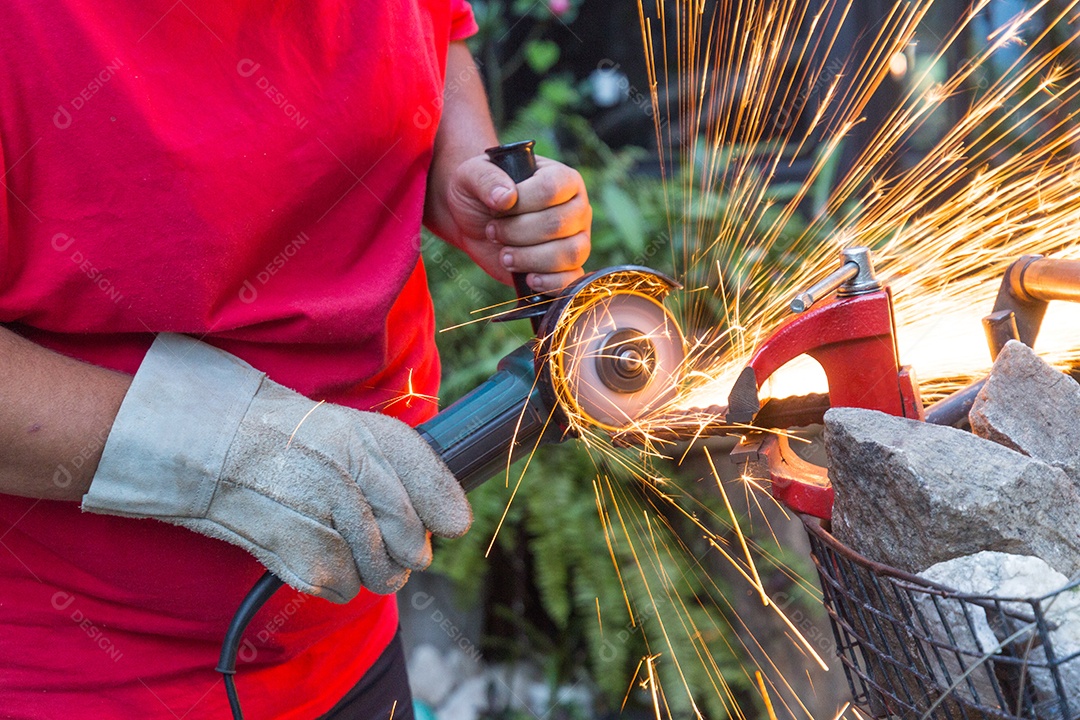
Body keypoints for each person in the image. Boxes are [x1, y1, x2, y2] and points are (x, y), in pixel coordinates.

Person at [0, 1, 591, 718]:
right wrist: (227, 452)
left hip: (345, 646)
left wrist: (464, 169)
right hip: (75, 676)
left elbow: (436, 30)